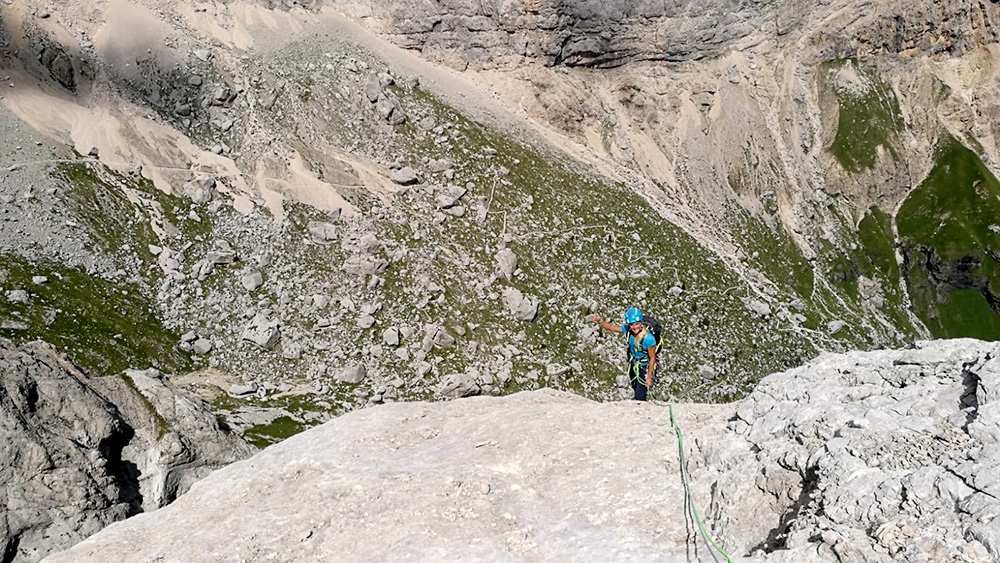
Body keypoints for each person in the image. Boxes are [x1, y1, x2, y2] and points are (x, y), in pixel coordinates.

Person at [592, 307, 656, 401]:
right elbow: (612, 328)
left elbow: (652, 358)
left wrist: (649, 377)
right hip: (633, 363)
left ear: (641, 323)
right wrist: (600, 320)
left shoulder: (649, 339)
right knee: (634, 386)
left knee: (640, 394)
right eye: (632, 324)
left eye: (637, 324)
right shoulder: (628, 330)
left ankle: (641, 407)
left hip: (643, 367)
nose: (634, 327)